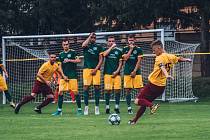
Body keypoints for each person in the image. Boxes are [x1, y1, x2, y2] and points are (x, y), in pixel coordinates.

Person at [128, 40, 192, 125]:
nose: (153, 52)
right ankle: (134, 120)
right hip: (161, 87)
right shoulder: (170, 56)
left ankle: (152, 106)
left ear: (159, 48)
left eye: (154, 50)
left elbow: (162, 66)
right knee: (144, 103)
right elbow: (178, 59)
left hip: (153, 85)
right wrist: (186, 59)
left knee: (137, 100)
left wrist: (166, 75)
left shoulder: (159, 58)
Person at [52, 39, 82, 116]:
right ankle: (59, 111)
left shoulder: (73, 52)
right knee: (60, 92)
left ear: (69, 45)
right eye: (64, 44)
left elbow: (79, 60)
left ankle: (79, 110)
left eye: (67, 44)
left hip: (73, 76)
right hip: (63, 77)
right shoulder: (61, 54)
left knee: (76, 92)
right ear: (62, 45)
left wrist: (70, 60)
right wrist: (63, 75)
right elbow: (60, 66)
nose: (66, 46)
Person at [82, 32, 104, 115]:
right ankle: (86, 108)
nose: (93, 39)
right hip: (86, 69)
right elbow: (83, 45)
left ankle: (97, 108)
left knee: (97, 88)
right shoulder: (86, 46)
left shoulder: (99, 47)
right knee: (86, 88)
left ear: (96, 39)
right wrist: (89, 36)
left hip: (96, 70)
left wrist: (96, 69)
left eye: (94, 37)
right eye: (91, 37)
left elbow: (101, 59)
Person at [122, 34, 144, 114]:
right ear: (127, 41)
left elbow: (139, 61)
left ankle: (142, 107)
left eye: (132, 40)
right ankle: (129, 108)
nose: (130, 41)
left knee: (140, 90)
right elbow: (125, 58)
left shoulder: (139, 49)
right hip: (127, 72)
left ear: (135, 40)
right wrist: (130, 50)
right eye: (129, 40)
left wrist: (134, 71)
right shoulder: (125, 49)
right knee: (128, 90)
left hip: (137, 73)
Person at [103, 36, 123, 114]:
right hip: (107, 73)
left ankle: (116, 107)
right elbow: (104, 55)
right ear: (107, 42)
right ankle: (107, 107)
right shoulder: (105, 50)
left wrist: (117, 71)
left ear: (115, 42)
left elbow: (121, 63)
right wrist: (111, 48)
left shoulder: (119, 51)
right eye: (109, 41)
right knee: (108, 90)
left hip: (116, 74)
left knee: (117, 90)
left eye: (112, 41)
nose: (111, 42)